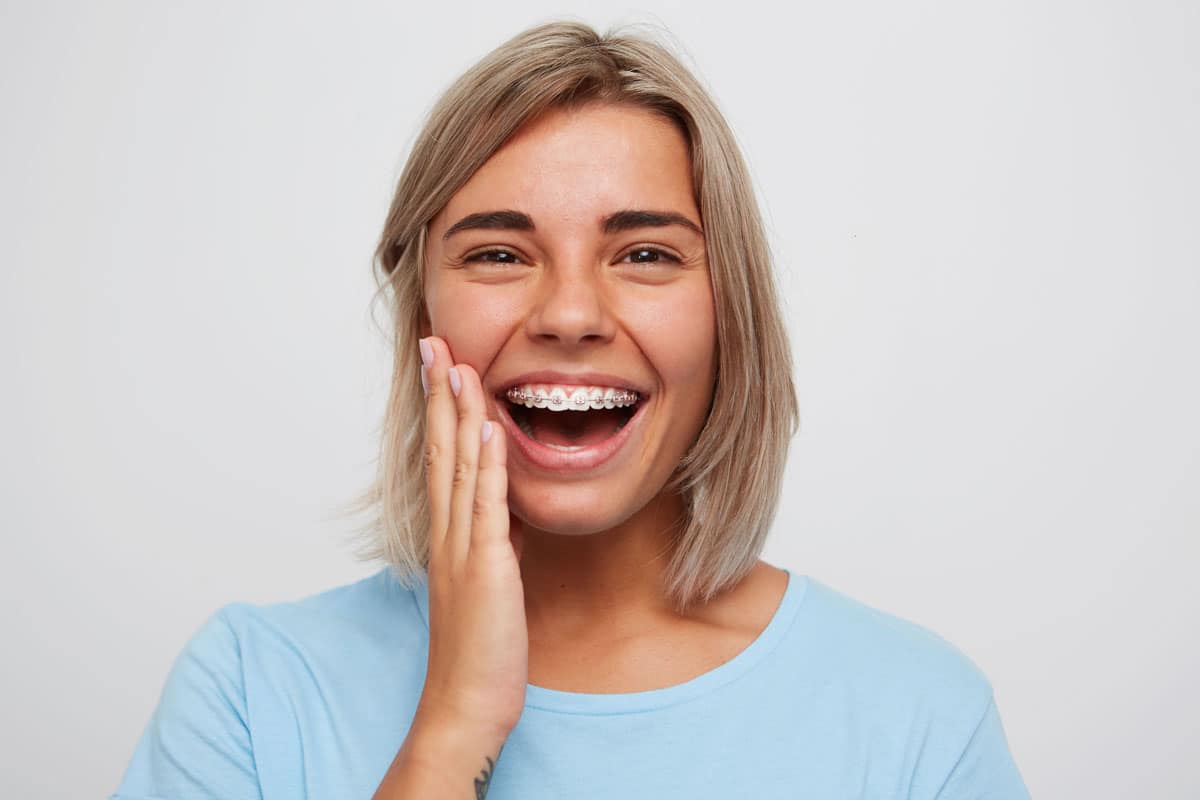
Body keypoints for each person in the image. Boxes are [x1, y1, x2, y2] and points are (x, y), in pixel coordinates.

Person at [112, 20, 1031, 800]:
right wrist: (453, 725)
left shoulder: (919, 718)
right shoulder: (247, 688)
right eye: (499, 255)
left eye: (646, 255)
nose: (570, 315)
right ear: (423, 311)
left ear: (728, 314)